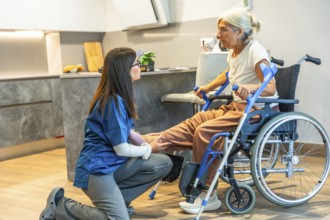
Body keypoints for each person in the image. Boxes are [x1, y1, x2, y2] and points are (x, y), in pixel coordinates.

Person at [145, 6, 278, 214]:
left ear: (239, 31)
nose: (218, 35)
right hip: (234, 108)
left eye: (223, 29)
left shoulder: (255, 50)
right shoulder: (234, 53)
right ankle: (152, 141)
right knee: (196, 121)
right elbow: (228, 74)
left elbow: (270, 87)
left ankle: (207, 192)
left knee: (205, 132)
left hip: (255, 111)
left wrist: (248, 88)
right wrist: (208, 87)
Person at [40, 47, 173, 220]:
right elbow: (121, 149)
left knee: (162, 163)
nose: (140, 66)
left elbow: (127, 132)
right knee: (117, 219)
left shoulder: (120, 97)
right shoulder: (113, 101)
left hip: (113, 164)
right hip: (97, 169)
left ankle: (119, 203)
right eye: (136, 63)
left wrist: (146, 140)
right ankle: (61, 206)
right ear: (123, 70)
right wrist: (148, 148)